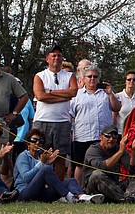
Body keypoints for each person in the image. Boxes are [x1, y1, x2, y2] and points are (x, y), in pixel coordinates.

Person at [13, 128, 101, 203]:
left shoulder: (41, 157)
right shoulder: (23, 156)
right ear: (28, 143)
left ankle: (82, 197)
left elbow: (48, 180)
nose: (37, 143)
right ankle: (69, 197)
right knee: (46, 169)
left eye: (41, 141)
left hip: (40, 193)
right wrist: (43, 163)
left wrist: (47, 163)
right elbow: (26, 178)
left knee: (70, 181)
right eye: (34, 140)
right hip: (24, 193)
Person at [69, 64, 121, 186]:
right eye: (89, 76)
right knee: (80, 165)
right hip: (82, 136)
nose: (92, 79)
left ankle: (106, 188)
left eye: (95, 76)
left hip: (103, 138)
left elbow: (117, 108)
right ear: (83, 78)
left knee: (105, 164)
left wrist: (110, 94)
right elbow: (71, 115)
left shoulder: (106, 94)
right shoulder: (76, 95)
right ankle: (79, 192)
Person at [32, 44, 77, 179]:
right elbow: (40, 96)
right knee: (41, 155)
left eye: (59, 55)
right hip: (42, 120)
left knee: (60, 156)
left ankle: (58, 189)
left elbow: (73, 92)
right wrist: (64, 96)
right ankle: (39, 184)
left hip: (62, 121)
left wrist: (50, 92)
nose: (56, 58)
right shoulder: (40, 76)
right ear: (47, 59)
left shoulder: (69, 76)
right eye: (53, 55)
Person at [83, 124, 135, 203]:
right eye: (108, 136)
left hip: (114, 187)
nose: (111, 139)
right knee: (97, 174)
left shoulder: (118, 148)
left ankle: (132, 197)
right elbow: (103, 167)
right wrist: (120, 152)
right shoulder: (93, 150)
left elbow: (133, 170)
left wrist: (134, 150)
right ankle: (125, 199)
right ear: (100, 137)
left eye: (114, 137)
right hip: (94, 189)